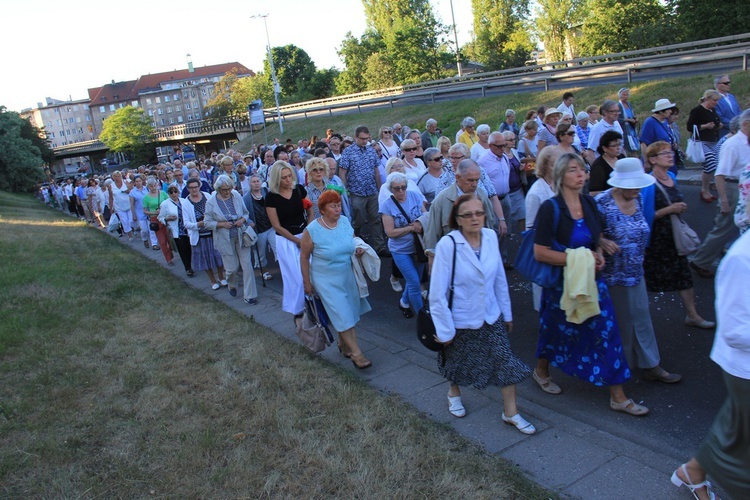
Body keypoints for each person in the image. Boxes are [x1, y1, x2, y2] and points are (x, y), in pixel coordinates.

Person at [532, 153, 647, 416]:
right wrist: (579, 258)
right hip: (562, 286)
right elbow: (541, 253)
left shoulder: (589, 203)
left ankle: (618, 396)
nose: (581, 174)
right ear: (561, 176)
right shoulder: (550, 209)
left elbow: (596, 238)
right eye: (573, 170)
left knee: (607, 333)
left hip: (593, 283)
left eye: (582, 169)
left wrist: (597, 253)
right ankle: (541, 371)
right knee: (554, 332)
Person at [431, 194, 535, 434]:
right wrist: (445, 331)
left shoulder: (489, 237)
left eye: (479, 213)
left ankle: (510, 412)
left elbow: (499, 277)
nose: (474, 218)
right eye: (467, 215)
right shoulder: (448, 244)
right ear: (457, 220)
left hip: (491, 314)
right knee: (456, 360)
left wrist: (506, 313)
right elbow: (437, 293)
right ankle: (453, 392)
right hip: (460, 317)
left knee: (504, 361)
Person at [670, 228, 750, 500]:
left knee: (733, 425)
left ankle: (692, 471)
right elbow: (735, 332)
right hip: (744, 368)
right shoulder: (742, 257)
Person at [595, 158, 681, 383]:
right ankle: (622, 369)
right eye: (633, 185)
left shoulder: (639, 198)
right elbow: (589, 233)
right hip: (613, 274)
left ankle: (651, 364)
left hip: (636, 270)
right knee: (621, 321)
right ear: (619, 184)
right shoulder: (602, 202)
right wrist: (602, 242)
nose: (637, 190)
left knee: (642, 318)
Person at [643, 142, 715, 329]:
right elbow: (643, 216)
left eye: (670, 152)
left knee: (683, 276)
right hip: (656, 241)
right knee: (647, 280)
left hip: (673, 238)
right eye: (664, 153)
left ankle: (692, 315)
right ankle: (640, 319)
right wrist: (669, 209)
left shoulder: (672, 177)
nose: (670, 155)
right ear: (652, 160)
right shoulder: (648, 184)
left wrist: (678, 209)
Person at [300, 190, 372, 368]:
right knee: (342, 313)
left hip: (347, 275)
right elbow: (303, 256)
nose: (337, 209)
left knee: (350, 311)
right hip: (325, 279)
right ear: (322, 209)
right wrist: (306, 282)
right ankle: (357, 353)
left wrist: (358, 247)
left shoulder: (345, 221)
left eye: (338, 205)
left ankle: (343, 343)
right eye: (333, 206)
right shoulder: (312, 230)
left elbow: (352, 239)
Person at [691, 109, 750, 277]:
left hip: (744, 187)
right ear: (745, 124)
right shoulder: (733, 145)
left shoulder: (746, 142)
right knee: (723, 227)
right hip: (734, 188)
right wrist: (723, 200)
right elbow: (719, 174)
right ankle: (700, 261)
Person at [425, 159, 497, 268]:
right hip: (454, 262)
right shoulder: (442, 200)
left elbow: (490, 224)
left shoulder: (481, 195)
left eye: (477, 180)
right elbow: (432, 234)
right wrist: (432, 260)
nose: (474, 184)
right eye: (470, 180)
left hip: (481, 258)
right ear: (458, 177)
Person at [266, 161, 314, 320]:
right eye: (284, 177)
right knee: (295, 277)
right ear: (276, 179)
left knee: (312, 272)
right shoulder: (271, 198)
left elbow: (311, 211)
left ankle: (315, 306)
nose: (288, 180)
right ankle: (298, 311)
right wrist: (296, 240)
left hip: (304, 234)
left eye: (289, 176)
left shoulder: (299, 190)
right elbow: (276, 226)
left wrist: (307, 233)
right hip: (286, 240)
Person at [203, 175, 258, 305]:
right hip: (224, 238)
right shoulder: (211, 202)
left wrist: (242, 220)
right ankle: (231, 284)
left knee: (247, 266)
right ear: (218, 189)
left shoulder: (236, 196)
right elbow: (207, 222)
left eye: (228, 188)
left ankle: (250, 295)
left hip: (241, 235)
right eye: (224, 190)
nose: (227, 192)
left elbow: (246, 213)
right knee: (232, 268)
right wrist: (221, 224)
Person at [380, 172, 426, 318]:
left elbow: (426, 215)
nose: (400, 191)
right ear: (391, 189)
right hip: (400, 250)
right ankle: (423, 317)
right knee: (414, 282)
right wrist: (411, 228)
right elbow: (390, 232)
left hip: (418, 247)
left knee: (415, 281)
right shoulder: (387, 205)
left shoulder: (415, 196)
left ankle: (404, 302)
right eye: (396, 188)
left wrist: (420, 222)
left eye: (403, 187)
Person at [338, 126, 387, 256]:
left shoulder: (371, 151)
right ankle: (355, 240)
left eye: (367, 138)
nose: (365, 141)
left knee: (376, 219)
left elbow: (376, 171)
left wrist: (379, 188)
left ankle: (380, 246)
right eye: (362, 139)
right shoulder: (348, 152)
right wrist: (345, 190)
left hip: (371, 191)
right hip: (356, 192)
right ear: (356, 138)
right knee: (358, 219)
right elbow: (342, 172)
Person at [525, 147, 563, 311]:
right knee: (547, 301)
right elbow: (531, 229)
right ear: (545, 166)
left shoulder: (560, 185)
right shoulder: (536, 193)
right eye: (555, 164)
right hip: (545, 250)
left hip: (561, 249)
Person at [183, 178, 226, 290]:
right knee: (205, 259)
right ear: (188, 189)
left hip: (213, 232)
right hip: (200, 236)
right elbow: (186, 223)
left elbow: (216, 211)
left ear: (199, 186)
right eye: (191, 188)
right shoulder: (186, 203)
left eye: (196, 187)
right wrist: (198, 224)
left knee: (218, 256)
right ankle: (212, 280)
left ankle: (221, 276)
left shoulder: (207, 196)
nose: (194, 189)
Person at [687, 90, 722, 203]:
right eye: (714, 100)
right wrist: (705, 126)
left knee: (712, 165)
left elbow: (716, 122)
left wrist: (717, 125)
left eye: (717, 100)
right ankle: (704, 189)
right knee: (711, 163)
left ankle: (705, 190)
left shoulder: (712, 110)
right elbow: (689, 127)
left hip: (712, 141)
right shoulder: (697, 111)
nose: (716, 103)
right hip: (701, 142)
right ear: (707, 99)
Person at [243, 174, 275, 280]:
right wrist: (249, 221)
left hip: (271, 227)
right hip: (259, 230)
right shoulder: (246, 198)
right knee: (260, 253)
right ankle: (263, 270)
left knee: (277, 247)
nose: (256, 183)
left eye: (258, 181)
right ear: (250, 184)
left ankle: (284, 267)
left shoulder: (266, 191)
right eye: (254, 182)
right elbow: (244, 213)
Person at [159, 185, 194, 277]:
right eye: (171, 192)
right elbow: (160, 217)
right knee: (182, 249)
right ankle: (188, 268)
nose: (174, 194)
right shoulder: (165, 204)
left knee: (189, 248)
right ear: (168, 194)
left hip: (187, 228)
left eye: (175, 191)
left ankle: (190, 263)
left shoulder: (184, 201)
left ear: (178, 192)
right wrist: (168, 219)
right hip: (177, 230)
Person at [640, 99, 679, 174]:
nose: (671, 111)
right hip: (657, 162)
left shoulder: (665, 121)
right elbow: (643, 143)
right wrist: (646, 162)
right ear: (661, 111)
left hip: (667, 160)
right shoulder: (650, 122)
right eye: (668, 109)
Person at [142, 177, 173, 265]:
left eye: (154, 185)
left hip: (166, 218)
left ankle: (170, 251)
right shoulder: (146, 198)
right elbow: (144, 211)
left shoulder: (163, 193)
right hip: (155, 219)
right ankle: (168, 259)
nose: (153, 187)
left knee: (169, 238)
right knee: (162, 241)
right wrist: (154, 212)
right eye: (151, 186)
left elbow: (169, 203)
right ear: (148, 186)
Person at [588, 131, 624, 196]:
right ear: (605, 148)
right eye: (614, 146)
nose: (618, 148)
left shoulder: (622, 158)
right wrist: (613, 192)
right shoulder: (599, 166)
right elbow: (592, 193)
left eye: (619, 144)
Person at [129, 176, 155, 249]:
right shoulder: (132, 192)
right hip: (140, 212)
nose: (138, 183)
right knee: (144, 229)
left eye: (139, 181)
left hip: (149, 211)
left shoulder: (147, 189)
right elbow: (132, 204)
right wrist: (133, 214)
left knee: (151, 229)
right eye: (136, 181)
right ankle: (145, 239)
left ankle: (154, 244)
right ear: (134, 182)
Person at [108, 170, 134, 241]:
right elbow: (111, 197)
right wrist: (111, 207)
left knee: (130, 220)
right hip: (119, 206)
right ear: (113, 177)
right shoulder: (111, 186)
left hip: (129, 204)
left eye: (118, 176)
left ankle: (133, 229)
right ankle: (130, 235)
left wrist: (127, 191)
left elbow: (131, 190)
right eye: (115, 176)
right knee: (124, 221)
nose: (117, 178)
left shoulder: (126, 182)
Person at [714, 74, 740, 139]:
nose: (728, 84)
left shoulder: (731, 97)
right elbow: (719, 117)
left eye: (729, 82)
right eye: (726, 83)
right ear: (717, 85)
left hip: (737, 132)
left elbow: (738, 111)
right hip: (724, 133)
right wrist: (734, 126)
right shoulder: (715, 99)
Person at [617, 88, 640, 157]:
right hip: (624, 130)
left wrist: (635, 119)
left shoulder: (629, 104)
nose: (625, 97)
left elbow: (632, 114)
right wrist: (628, 120)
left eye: (627, 95)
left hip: (631, 128)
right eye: (624, 95)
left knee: (634, 147)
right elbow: (618, 119)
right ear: (620, 96)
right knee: (628, 147)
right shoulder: (618, 106)